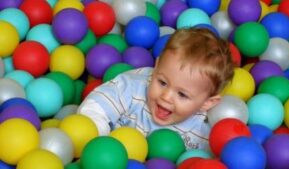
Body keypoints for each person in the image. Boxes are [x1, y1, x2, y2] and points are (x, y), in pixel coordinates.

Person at [78, 27, 234, 150]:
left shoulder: (204, 133)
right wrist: (98, 140)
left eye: (182, 94)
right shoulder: (132, 88)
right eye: (162, 82)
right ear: (157, 66)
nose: (166, 96)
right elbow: (96, 106)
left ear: (206, 103)